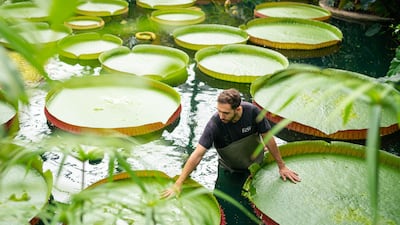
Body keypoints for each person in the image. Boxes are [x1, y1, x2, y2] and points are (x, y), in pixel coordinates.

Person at [162, 88, 300, 224]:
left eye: (226, 113)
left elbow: (268, 138)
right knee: (225, 211)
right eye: (219, 111)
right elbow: (197, 155)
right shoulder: (215, 125)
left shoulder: (253, 112)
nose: (221, 116)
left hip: (257, 167)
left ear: (238, 109)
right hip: (230, 170)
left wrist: (281, 166)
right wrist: (178, 183)